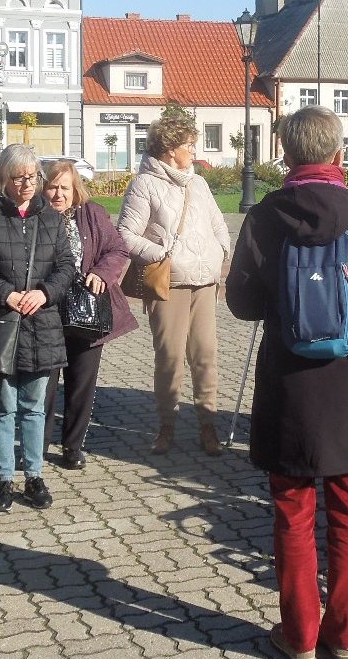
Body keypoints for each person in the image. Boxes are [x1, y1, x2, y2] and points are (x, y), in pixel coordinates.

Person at [226, 106, 348, 659]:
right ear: (335, 154)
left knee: (292, 511)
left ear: (286, 153)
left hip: (290, 383)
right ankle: (343, 636)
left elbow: (241, 301)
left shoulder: (265, 216)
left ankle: (298, 636)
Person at [0, 145, 76, 511]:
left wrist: (44, 294)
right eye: (19, 177)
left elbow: (66, 266)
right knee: (2, 407)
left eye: (32, 177)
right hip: (3, 324)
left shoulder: (52, 219)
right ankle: (3, 480)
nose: (27, 184)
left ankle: (34, 476)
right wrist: (6, 294)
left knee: (34, 406)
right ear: (3, 178)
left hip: (42, 324)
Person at [117, 113, 231, 456]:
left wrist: (221, 250)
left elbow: (219, 224)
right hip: (169, 283)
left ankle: (208, 426)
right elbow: (124, 234)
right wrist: (161, 253)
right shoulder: (144, 184)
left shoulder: (199, 184)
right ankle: (166, 425)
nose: (193, 150)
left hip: (205, 284)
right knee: (169, 357)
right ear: (169, 150)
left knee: (205, 354)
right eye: (189, 145)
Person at [42, 159, 137, 471]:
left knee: (81, 383)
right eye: (52, 187)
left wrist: (101, 272)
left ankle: (72, 447)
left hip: (87, 309)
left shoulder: (92, 213)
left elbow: (118, 250)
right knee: (44, 384)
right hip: (47, 312)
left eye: (64, 187)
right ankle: (36, 447)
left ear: (75, 189)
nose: (58, 194)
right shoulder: (35, 217)